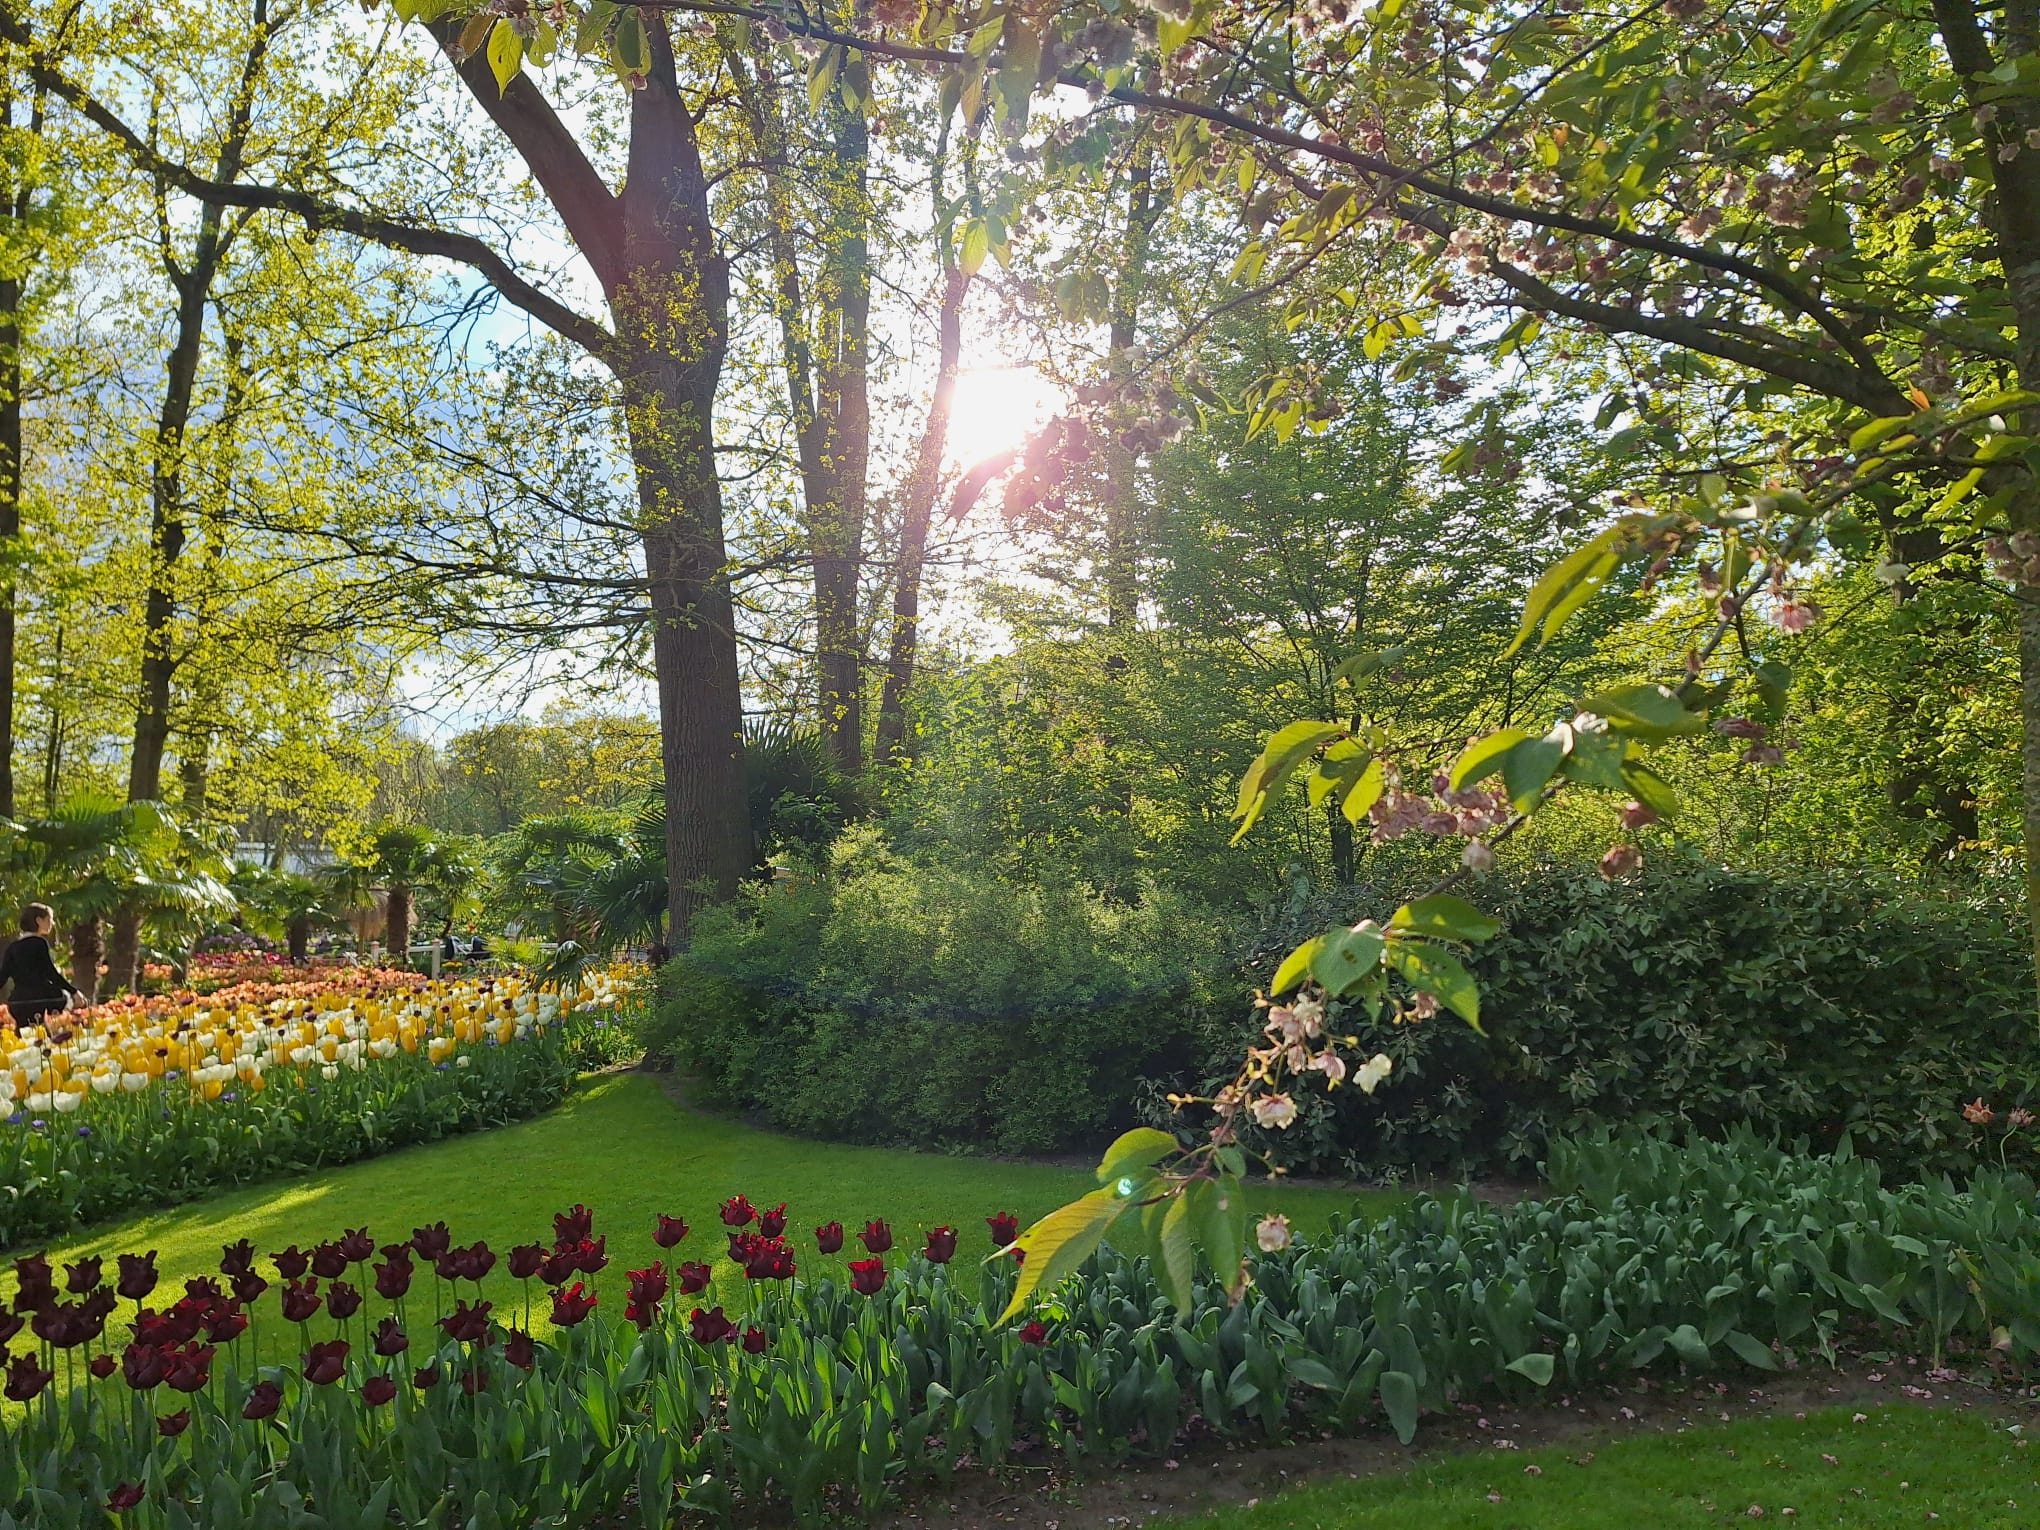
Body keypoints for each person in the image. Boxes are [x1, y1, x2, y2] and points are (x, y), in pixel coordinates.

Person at [0, 903, 81, 1035]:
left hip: (18, 1002)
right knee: (44, 1038)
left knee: (22, 1039)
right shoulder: (39, 943)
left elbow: (2, 978)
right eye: (49, 919)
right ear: (38, 920)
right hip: (41, 1000)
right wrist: (73, 992)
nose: (52, 923)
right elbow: (51, 974)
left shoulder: (12, 947)